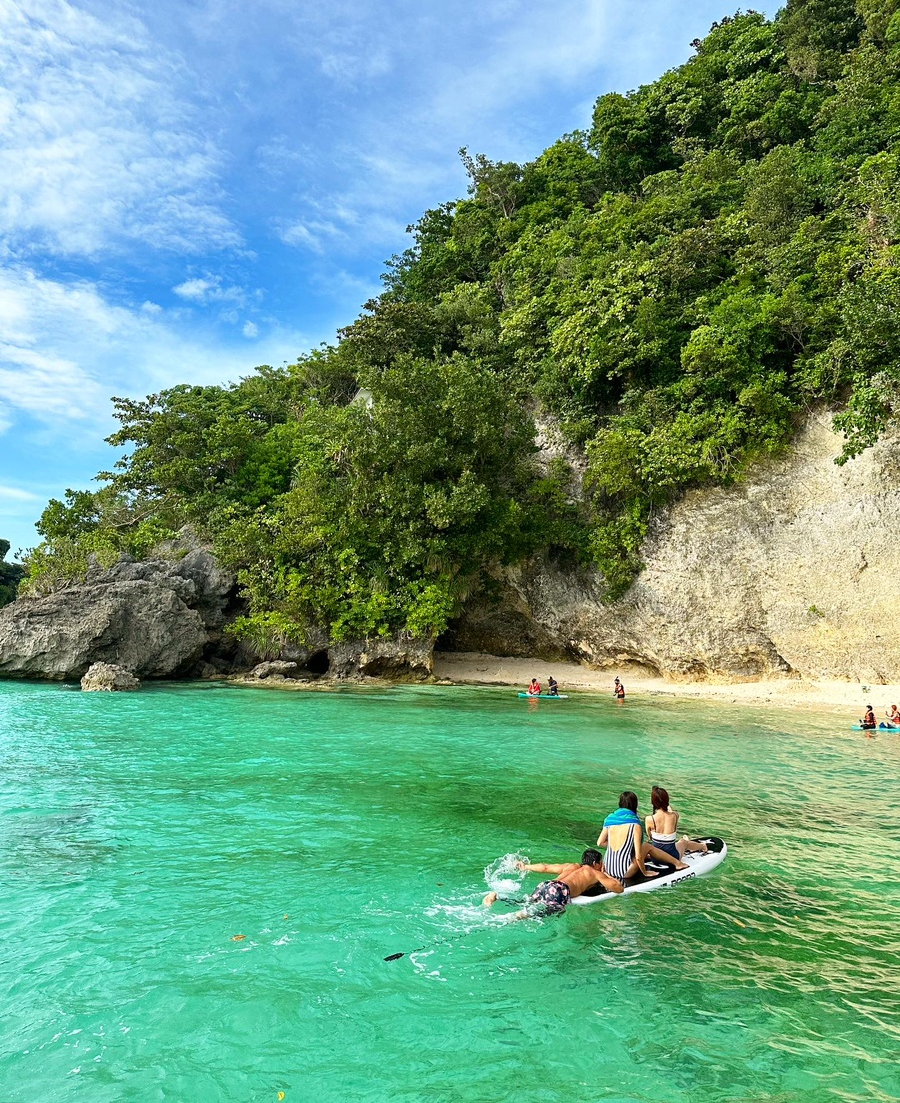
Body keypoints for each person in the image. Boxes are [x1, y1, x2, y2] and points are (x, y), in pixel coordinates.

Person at [482, 848, 623, 918]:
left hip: (547, 885)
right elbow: (619, 888)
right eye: (601, 863)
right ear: (595, 863)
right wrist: (606, 874)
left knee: (526, 902)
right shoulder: (594, 873)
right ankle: (521, 915)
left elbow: (545, 867)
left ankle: (497, 897)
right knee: (547, 912)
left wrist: (525, 866)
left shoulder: (571, 866)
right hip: (560, 890)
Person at [597, 791, 688, 882]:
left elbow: (600, 842)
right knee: (646, 846)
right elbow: (638, 856)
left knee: (640, 849)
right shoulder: (634, 824)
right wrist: (645, 872)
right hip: (624, 872)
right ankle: (677, 863)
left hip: (608, 868)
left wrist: (620, 845)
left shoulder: (610, 820)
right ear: (635, 805)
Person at [645, 785, 709, 861]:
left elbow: (650, 837)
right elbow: (670, 812)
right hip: (673, 858)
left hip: (656, 859)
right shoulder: (675, 816)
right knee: (683, 842)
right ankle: (703, 846)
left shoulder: (649, 819)